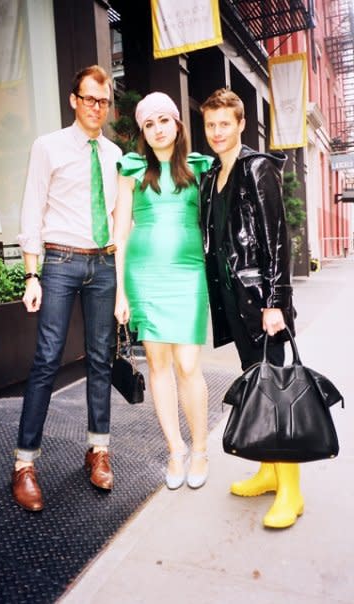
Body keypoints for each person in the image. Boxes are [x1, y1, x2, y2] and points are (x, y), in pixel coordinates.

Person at [11, 65, 122, 512]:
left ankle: (98, 450)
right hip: (58, 262)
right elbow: (32, 208)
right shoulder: (48, 147)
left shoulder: (116, 155)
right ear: (74, 99)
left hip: (104, 264)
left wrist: (122, 281)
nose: (97, 108)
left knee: (100, 360)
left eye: (103, 101)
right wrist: (30, 274)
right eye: (89, 98)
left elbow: (120, 215)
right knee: (46, 359)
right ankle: (24, 463)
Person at [199, 88, 300, 529]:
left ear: (241, 124)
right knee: (255, 389)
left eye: (225, 124)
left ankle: (291, 491)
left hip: (262, 303)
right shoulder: (212, 178)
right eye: (211, 125)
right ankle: (267, 471)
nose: (217, 132)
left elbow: (278, 239)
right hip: (233, 302)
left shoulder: (257, 168)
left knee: (276, 394)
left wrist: (277, 302)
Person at [114, 92, 213, 490]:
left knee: (188, 365)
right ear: (142, 131)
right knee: (158, 366)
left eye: (163, 120)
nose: (157, 129)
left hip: (189, 276)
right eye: (148, 123)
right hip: (145, 276)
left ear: (177, 124)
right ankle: (176, 450)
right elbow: (120, 232)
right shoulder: (132, 168)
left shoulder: (199, 166)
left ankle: (201, 449)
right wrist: (121, 292)